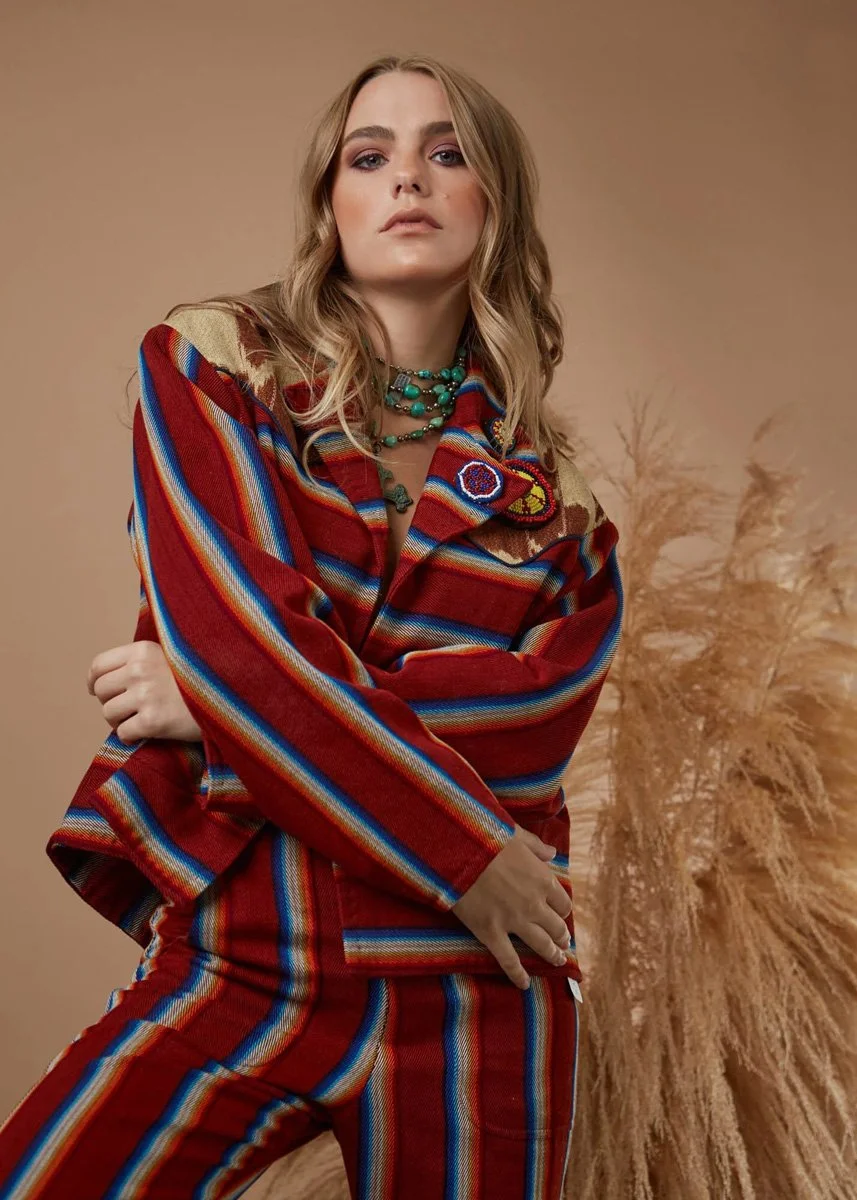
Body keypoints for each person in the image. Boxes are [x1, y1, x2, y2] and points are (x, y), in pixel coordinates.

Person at [0, 53, 623, 1199]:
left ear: (494, 202)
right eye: (368, 156)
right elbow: (242, 633)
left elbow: (530, 725)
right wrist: (464, 851)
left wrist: (215, 705)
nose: (406, 179)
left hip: (480, 986)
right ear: (329, 202)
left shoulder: (561, 503)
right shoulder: (213, 364)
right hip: (249, 950)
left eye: (446, 153)